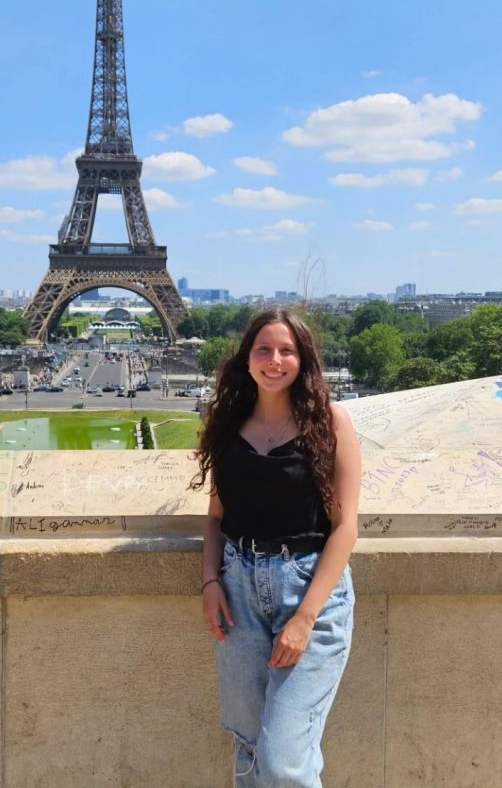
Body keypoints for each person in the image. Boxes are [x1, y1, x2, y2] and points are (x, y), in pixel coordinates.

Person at [192, 308, 361, 788]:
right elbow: (216, 517)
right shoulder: (228, 422)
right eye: (263, 349)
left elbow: (345, 527)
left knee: (284, 759)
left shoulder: (330, 422)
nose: (274, 359)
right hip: (238, 591)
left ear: (302, 360)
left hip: (308, 591)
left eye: (287, 350)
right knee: (248, 746)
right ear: (246, 358)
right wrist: (209, 581)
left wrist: (306, 617)